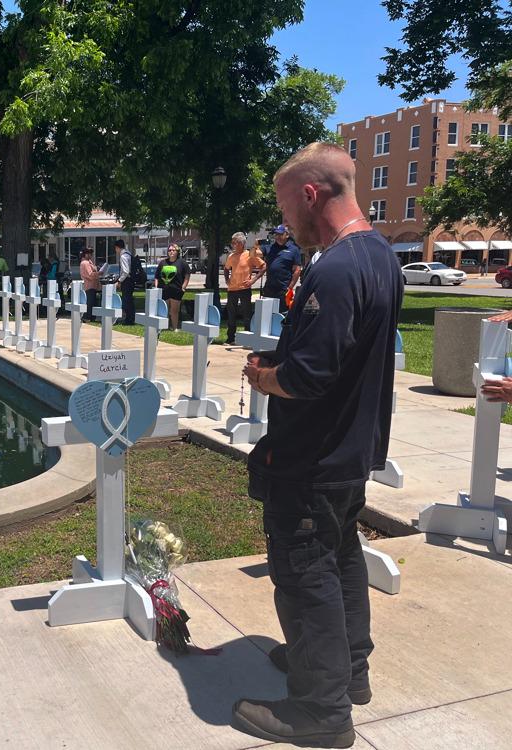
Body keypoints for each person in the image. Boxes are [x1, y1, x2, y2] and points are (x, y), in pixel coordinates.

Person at [233, 142, 403, 748]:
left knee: (306, 574)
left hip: (313, 456)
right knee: (341, 559)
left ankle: (321, 711)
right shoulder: (379, 256)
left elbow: (310, 376)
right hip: (350, 451)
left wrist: (263, 376)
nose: (284, 224)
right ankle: (346, 672)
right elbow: (345, 352)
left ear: (310, 195)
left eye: (285, 209)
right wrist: (287, 358)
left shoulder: (332, 269)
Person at [223, 232, 265, 344]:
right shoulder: (231, 256)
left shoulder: (249, 254)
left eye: (234, 242)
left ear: (241, 243)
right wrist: (227, 280)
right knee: (231, 314)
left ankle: (247, 339)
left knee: (246, 314)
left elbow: (263, 266)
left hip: (244, 289)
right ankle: (230, 338)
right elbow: (226, 268)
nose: (232, 245)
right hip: (232, 289)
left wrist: (253, 280)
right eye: (232, 242)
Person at [261, 225, 303, 312]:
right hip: (269, 288)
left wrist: (290, 287)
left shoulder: (294, 249)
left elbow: (297, 270)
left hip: (283, 289)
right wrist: (255, 246)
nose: (278, 237)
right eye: (276, 234)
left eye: (280, 234)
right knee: (267, 314)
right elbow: (253, 255)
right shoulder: (270, 247)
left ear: (287, 235)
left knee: (283, 315)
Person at [154, 244, 191, 330]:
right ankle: (164, 327)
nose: (171, 252)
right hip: (164, 290)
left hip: (176, 290)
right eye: (169, 250)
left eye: (173, 250)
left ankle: (174, 328)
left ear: (177, 252)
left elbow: (187, 275)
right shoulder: (163, 263)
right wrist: (156, 287)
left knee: (174, 311)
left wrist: (184, 286)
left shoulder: (182, 263)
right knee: (164, 310)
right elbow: (157, 276)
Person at [115, 239, 140, 325]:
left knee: (126, 300)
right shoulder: (128, 254)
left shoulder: (123, 256)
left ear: (117, 247)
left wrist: (119, 280)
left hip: (127, 281)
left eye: (115, 248)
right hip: (131, 280)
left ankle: (129, 320)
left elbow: (125, 271)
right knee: (129, 300)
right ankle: (130, 318)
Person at [79, 247, 99, 321]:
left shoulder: (89, 262)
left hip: (93, 285)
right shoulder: (85, 263)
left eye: (91, 253)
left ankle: (92, 317)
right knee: (90, 303)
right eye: (89, 253)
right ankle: (87, 317)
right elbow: (90, 275)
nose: (91, 255)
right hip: (89, 285)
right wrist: (99, 273)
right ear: (85, 254)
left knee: (93, 302)